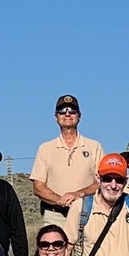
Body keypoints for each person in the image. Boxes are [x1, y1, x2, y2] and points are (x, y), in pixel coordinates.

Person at [30, 94, 103, 227]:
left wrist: (78, 195)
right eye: (62, 111)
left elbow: (102, 183)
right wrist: (60, 200)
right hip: (54, 216)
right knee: (52, 247)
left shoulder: (94, 147)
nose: (67, 114)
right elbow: (38, 186)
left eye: (72, 111)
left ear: (79, 116)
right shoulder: (45, 148)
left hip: (87, 214)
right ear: (56, 117)